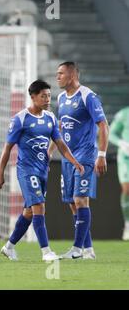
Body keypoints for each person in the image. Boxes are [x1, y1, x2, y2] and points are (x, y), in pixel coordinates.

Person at [0, 80, 84, 261]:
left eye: (49, 96)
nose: (47, 99)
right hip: (26, 170)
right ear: (33, 96)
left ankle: (8, 247)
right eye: (43, 96)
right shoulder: (20, 119)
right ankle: (46, 252)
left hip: (42, 169)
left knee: (29, 211)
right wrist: (0, 174)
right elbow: (7, 148)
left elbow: (60, 144)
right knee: (39, 207)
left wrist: (75, 162)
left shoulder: (51, 118)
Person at [49, 61, 109, 259]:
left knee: (80, 199)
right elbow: (60, 126)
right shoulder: (61, 98)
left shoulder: (88, 96)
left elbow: (103, 125)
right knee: (72, 203)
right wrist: (50, 150)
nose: (57, 77)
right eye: (57, 73)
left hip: (85, 155)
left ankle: (76, 249)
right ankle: (88, 250)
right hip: (67, 157)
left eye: (61, 73)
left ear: (72, 76)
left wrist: (101, 154)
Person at [109, 106, 129, 240]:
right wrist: (122, 143)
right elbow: (111, 134)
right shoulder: (124, 113)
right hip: (126, 158)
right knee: (127, 189)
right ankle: (128, 224)